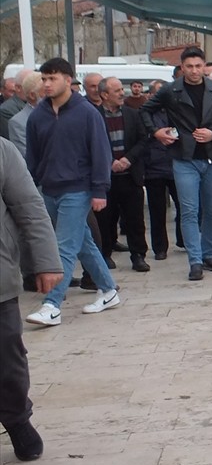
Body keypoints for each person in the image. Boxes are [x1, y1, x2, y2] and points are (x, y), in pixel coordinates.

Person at [23, 58, 121, 326]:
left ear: (68, 80)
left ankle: (51, 305)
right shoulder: (38, 116)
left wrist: (100, 190)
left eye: (52, 78)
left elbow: (101, 153)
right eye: (44, 79)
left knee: (63, 246)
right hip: (48, 189)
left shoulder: (87, 113)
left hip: (78, 189)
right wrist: (29, 188)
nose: (46, 84)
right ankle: (109, 290)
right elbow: (33, 155)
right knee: (83, 242)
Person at [140, 46, 212, 281]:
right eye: (189, 66)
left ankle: (207, 254)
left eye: (198, 66)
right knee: (190, 210)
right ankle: (195, 260)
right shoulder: (171, 90)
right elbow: (145, 111)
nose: (194, 71)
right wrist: (157, 132)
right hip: (185, 157)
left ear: (204, 66)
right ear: (182, 68)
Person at [0, 137, 63, 460]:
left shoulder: (2, 150)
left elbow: (29, 208)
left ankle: (16, 419)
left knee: (7, 359)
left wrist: (46, 262)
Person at [96, 78, 150, 272]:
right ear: (104, 95)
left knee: (135, 219)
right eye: (117, 90)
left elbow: (144, 140)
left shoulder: (133, 114)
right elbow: (89, 144)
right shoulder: (94, 116)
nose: (122, 93)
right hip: (105, 178)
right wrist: (109, 161)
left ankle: (138, 255)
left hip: (130, 175)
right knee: (105, 219)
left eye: (122, 89)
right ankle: (105, 253)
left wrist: (128, 159)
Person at [142, 83, 182, 261]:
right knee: (157, 210)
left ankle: (184, 240)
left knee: (184, 207)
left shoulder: (176, 111)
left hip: (177, 164)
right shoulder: (145, 115)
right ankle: (160, 247)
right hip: (154, 167)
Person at [5, 71, 43, 158]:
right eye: (45, 93)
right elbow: (27, 157)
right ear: (32, 95)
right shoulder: (18, 122)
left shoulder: (59, 115)